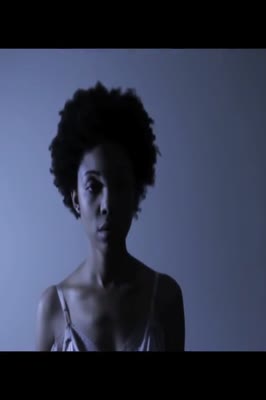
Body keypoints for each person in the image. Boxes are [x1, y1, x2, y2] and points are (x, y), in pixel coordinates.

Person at [36, 81, 185, 351]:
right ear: (76, 199)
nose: (107, 204)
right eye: (93, 186)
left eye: (119, 185)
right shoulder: (53, 308)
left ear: (135, 192)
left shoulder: (165, 298)